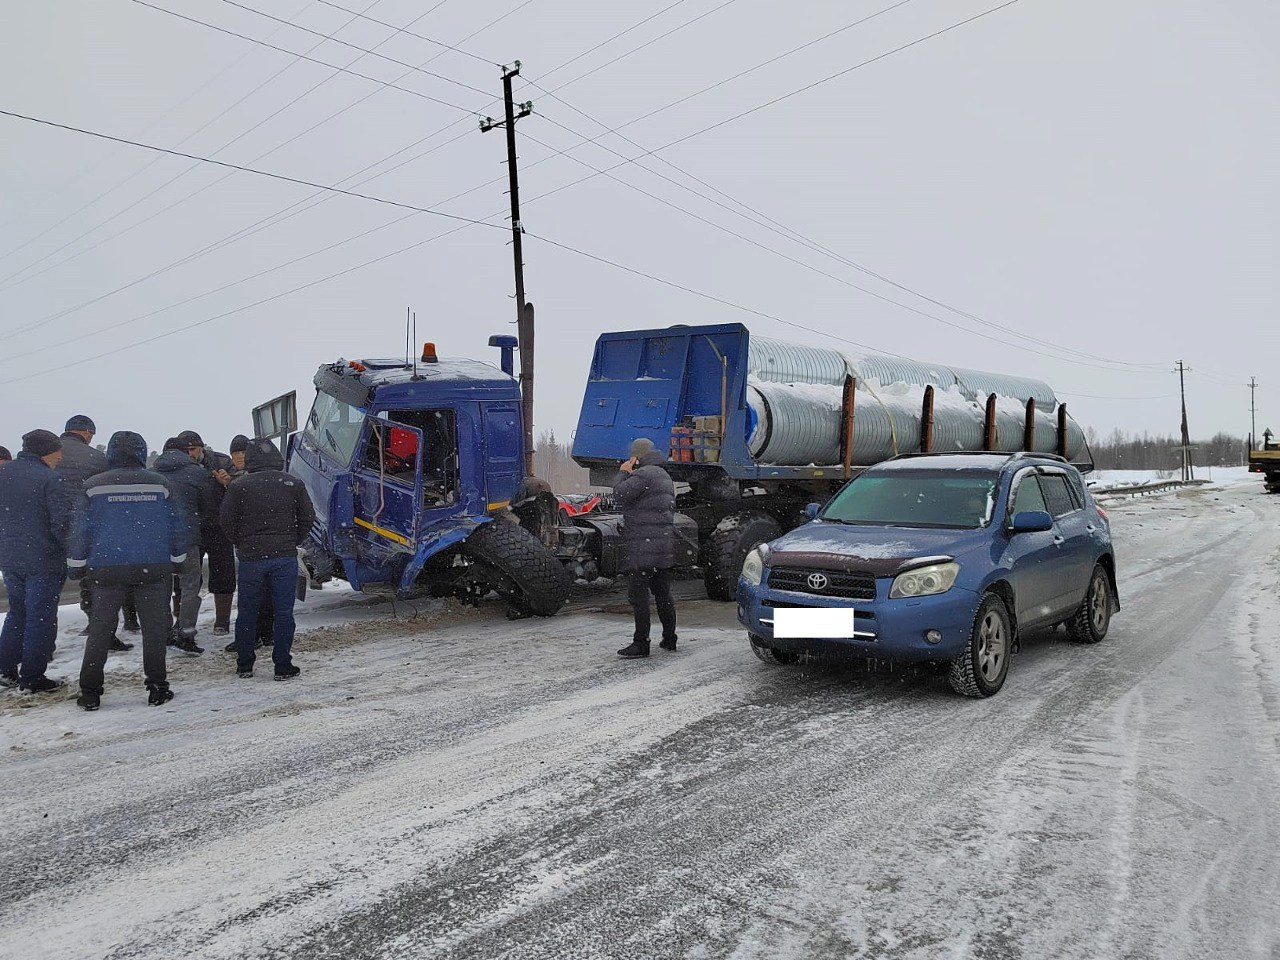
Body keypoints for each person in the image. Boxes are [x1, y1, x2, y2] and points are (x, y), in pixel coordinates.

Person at [70, 431, 189, 710]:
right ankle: (157, 686)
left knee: (101, 627)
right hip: (153, 566)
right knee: (154, 629)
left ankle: (90, 692)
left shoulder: (92, 486)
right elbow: (177, 526)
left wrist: (76, 565)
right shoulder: (161, 484)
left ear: (111, 453)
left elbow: (80, 530)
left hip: (107, 568)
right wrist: (178, 559)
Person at [220, 439, 315, 680]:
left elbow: (227, 521)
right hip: (284, 558)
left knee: (247, 611)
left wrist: (242, 543)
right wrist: (292, 540)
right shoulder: (292, 483)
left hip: (251, 558)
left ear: (250, 461)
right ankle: (282, 665)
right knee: (284, 612)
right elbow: (307, 517)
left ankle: (244, 664)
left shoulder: (239, 486)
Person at [55, 414, 136, 653]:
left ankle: (42, 641)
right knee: (98, 579)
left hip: (55, 526)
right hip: (92, 526)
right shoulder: (97, 458)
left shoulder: (51, 454)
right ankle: (104, 624)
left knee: (50, 584)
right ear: (88, 433)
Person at [0, 430, 70, 693]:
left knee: (17, 612)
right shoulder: (50, 479)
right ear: (46, 451)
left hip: (10, 558)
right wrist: (71, 552)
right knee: (40, 618)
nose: (60, 456)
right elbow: (61, 524)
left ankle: (5, 669)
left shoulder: (4, 474)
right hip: (43, 559)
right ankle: (32, 677)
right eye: (57, 450)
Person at [612, 437, 679, 659]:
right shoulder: (663, 475)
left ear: (636, 456)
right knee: (663, 594)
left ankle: (641, 643)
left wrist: (623, 472)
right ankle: (670, 639)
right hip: (662, 546)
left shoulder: (644, 474)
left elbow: (619, 494)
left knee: (638, 596)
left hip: (643, 547)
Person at [154, 436, 216, 654]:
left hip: (158, 540)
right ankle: (186, 632)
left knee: (161, 586)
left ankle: (163, 631)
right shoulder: (197, 473)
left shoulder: (152, 475)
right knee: (190, 586)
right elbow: (208, 506)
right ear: (184, 452)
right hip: (187, 537)